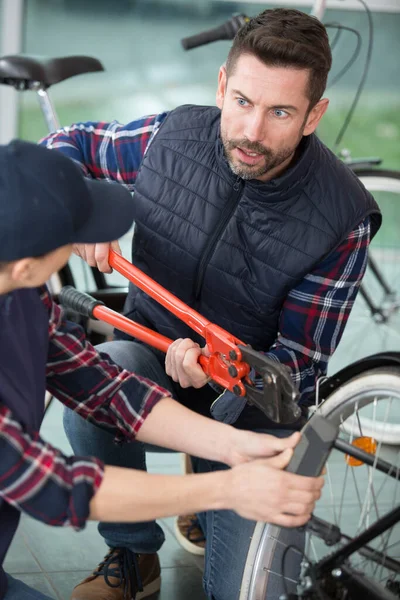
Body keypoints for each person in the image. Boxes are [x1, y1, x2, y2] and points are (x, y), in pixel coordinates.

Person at [40, 8, 381, 600]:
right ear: (223, 85)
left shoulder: (342, 218)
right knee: (93, 388)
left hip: (250, 418)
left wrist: (222, 384)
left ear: (313, 116)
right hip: (149, 358)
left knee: (249, 594)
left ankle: (208, 488)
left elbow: (295, 373)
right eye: (244, 101)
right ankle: (132, 554)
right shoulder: (172, 136)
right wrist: (82, 202)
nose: (252, 131)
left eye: (280, 112)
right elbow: (63, 145)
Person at [0, 139, 325, 600]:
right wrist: (227, 489)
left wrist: (235, 444)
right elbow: (56, 487)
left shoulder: (23, 294)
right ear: (30, 265)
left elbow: (105, 387)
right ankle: (134, 556)